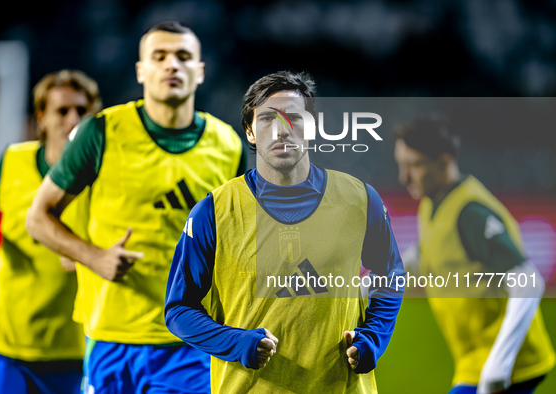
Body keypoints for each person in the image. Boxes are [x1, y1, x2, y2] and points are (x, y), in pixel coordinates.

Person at [26, 21, 246, 393]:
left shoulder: (228, 144)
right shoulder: (101, 132)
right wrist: (92, 257)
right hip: (109, 340)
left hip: (189, 344)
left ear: (201, 71)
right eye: (159, 57)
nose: (171, 65)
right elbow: (37, 217)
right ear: (141, 71)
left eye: (183, 56)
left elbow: (242, 241)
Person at [164, 71, 406, 393]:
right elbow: (179, 309)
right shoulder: (213, 212)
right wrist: (235, 342)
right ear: (250, 132)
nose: (282, 129)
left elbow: (392, 273)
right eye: (267, 119)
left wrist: (372, 337)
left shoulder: (360, 200)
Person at [393, 118, 555, 394]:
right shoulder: (433, 205)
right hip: (475, 363)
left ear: (444, 163)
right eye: (401, 165)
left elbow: (528, 281)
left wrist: (499, 365)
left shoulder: (471, 213)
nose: (403, 177)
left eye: (415, 165)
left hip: (506, 366)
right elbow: (423, 253)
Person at [0, 69, 101, 394]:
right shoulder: (14, 161)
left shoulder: (104, 177)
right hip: (6, 338)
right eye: (62, 110)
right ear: (41, 118)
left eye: (82, 111)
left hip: (71, 346)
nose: (73, 119)